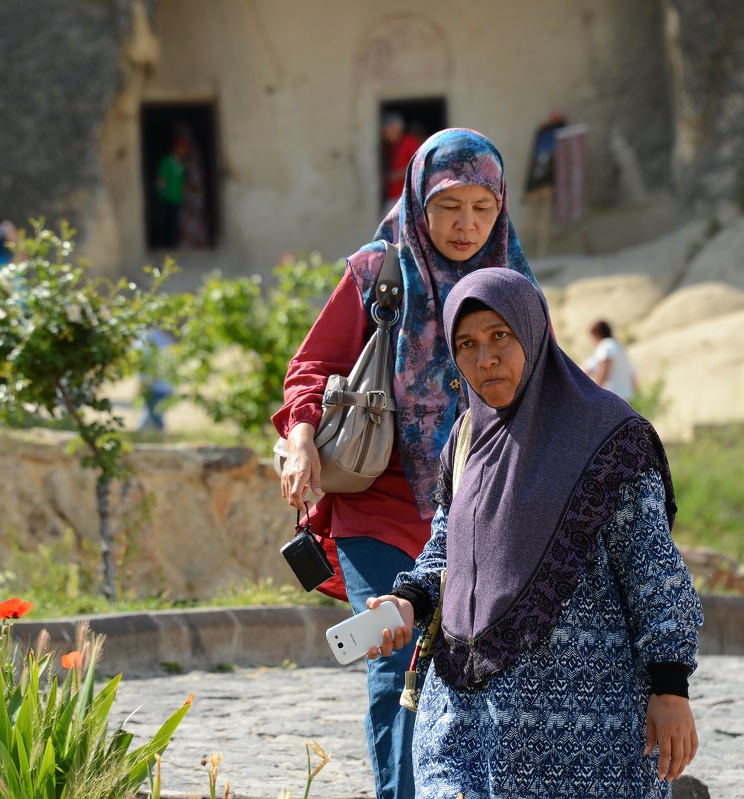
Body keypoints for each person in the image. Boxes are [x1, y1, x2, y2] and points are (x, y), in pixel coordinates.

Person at [364, 268, 704, 798]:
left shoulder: (610, 438)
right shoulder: (467, 436)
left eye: (501, 336)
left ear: (534, 333)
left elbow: (653, 569)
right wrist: (409, 599)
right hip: (466, 724)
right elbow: (447, 547)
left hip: (586, 740)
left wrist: (670, 687)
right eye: (467, 344)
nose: (485, 359)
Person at [274, 128, 537, 799]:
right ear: (420, 200)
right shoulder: (375, 272)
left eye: (482, 206)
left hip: (479, 512)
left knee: (472, 668)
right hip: (379, 506)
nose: (466, 223)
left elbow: (545, 390)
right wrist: (302, 436)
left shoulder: (512, 283)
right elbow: (313, 364)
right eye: (450, 205)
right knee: (392, 658)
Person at [585, 318, 638, 402]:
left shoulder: (606, 346)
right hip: (626, 398)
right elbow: (632, 375)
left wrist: (594, 393)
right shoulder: (619, 347)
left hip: (612, 397)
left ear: (597, 333)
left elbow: (603, 371)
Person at [380, 112, 422, 215]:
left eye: (387, 129)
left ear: (396, 128)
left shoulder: (409, 141)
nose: (384, 133)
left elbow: (417, 164)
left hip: (406, 196)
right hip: (393, 196)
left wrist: (393, 176)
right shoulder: (390, 147)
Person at [153, 135, 190, 247]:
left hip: (177, 198)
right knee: (163, 222)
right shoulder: (167, 161)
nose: (183, 151)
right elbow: (161, 180)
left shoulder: (182, 164)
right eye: (181, 147)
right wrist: (160, 196)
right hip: (165, 198)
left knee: (175, 223)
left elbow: (183, 181)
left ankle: (173, 244)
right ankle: (162, 244)